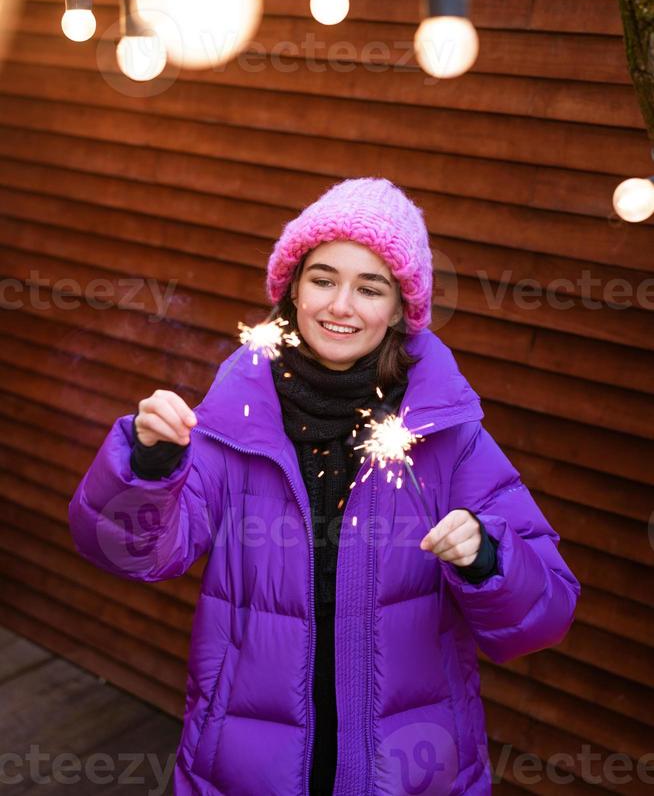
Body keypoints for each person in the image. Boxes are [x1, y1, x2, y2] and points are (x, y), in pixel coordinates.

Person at [68, 177, 580, 796]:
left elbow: (543, 617)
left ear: (399, 309)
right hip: (242, 766)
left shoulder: (449, 436)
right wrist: (148, 464)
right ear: (292, 287)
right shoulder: (234, 421)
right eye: (323, 278)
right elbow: (129, 552)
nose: (341, 305)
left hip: (412, 771)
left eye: (370, 288)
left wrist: (488, 558)